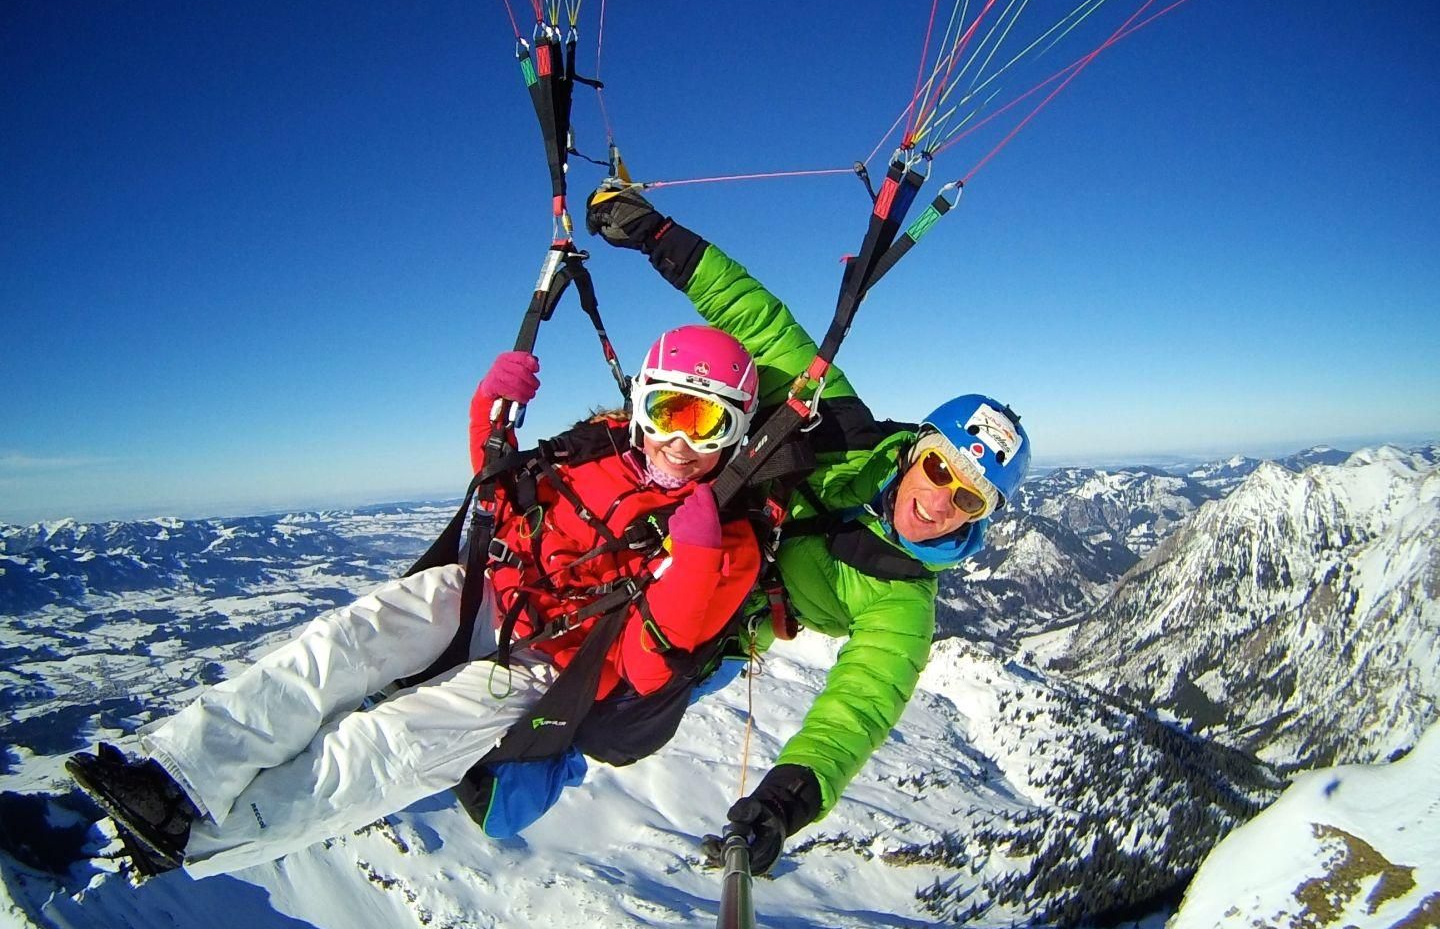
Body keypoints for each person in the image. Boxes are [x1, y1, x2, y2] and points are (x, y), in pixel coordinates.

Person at [66, 324, 764, 879]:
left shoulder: (728, 541)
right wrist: (487, 413)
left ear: (737, 432)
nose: (679, 442)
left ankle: (198, 836)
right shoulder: (595, 449)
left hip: (558, 664)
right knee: (346, 640)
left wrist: (695, 561)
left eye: (706, 425)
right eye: (669, 411)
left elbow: (647, 672)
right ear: (640, 402)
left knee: (393, 743)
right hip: (491, 593)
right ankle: (176, 776)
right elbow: (500, 498)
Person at [586, 187, 1033, 875]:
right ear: (919, 448)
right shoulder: (842, 426)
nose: (942, 503)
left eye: (970, 501)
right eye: (942, 471)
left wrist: (786, 800)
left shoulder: (903, 602)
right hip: (689, 511)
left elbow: (858, 710)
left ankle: (505, 776)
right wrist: (657, 234)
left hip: (728, 617)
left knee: (615, 717)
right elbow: (757, 320)